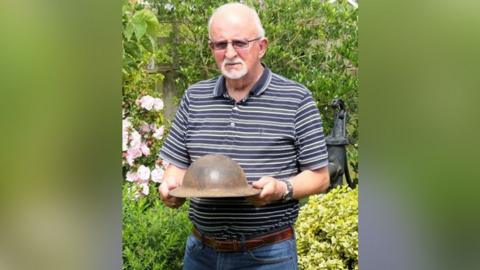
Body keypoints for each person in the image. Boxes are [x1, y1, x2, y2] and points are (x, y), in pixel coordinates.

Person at [159, 2, 330, 269]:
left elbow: (320, 178)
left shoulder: (296, 99)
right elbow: (176, 167)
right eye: (220, 44)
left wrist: (282, 189)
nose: (229, 53)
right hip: (201, 253)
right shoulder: (195, 97)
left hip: (267, 255)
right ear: (211, 49)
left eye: (239, 42)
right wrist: (170, 188)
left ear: (261, 46)